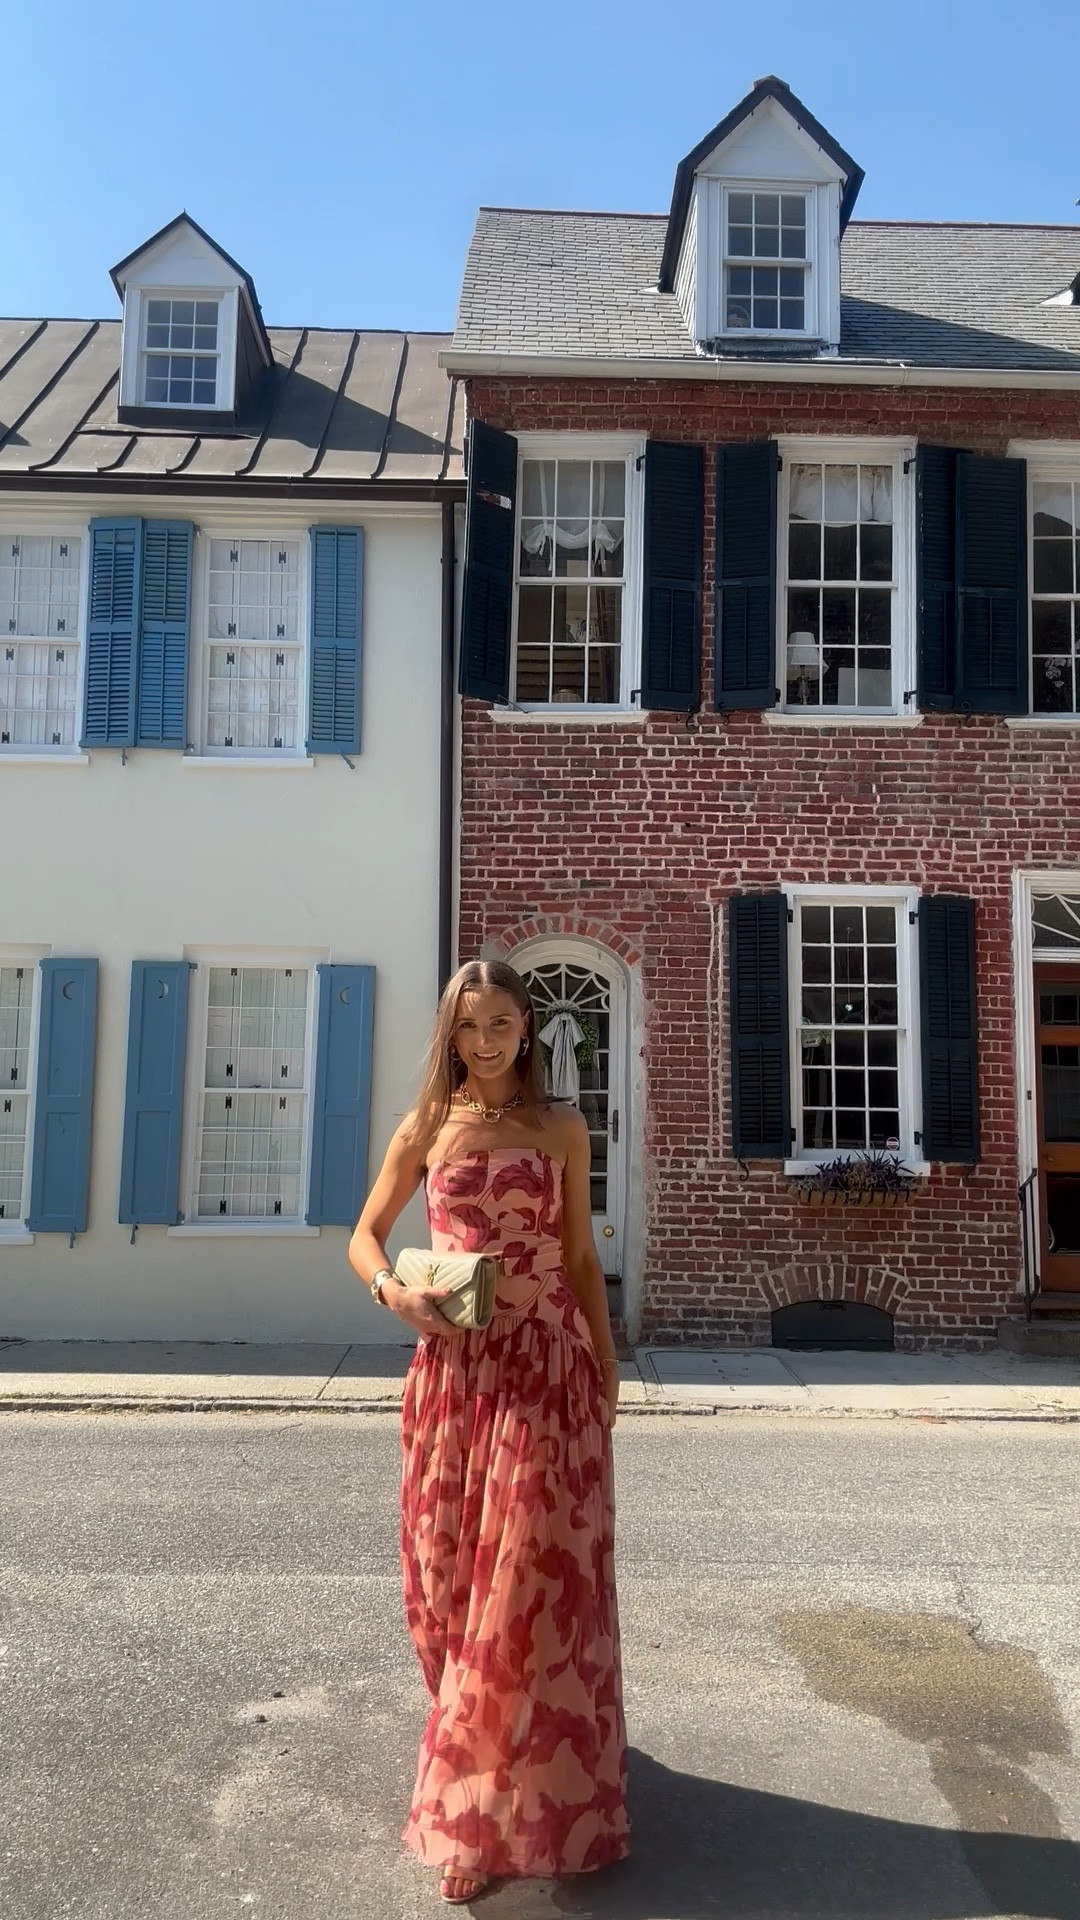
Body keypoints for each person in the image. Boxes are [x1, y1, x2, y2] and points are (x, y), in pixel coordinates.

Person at [349, 959, 631, 1905]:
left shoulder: (562, 1127)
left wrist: (606, 1363)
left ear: (527, 1027)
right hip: (455, 1373)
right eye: (469, 1026)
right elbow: (363, 1234)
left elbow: (581, 1255)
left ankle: (479, 1815)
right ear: (451, 1034)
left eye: (501, 1023)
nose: (485, 1041)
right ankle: (478, 1750)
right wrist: (392, 1291)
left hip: (546, 1369)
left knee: (528, 1583)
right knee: (449, 1579)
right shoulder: (427, 1126)